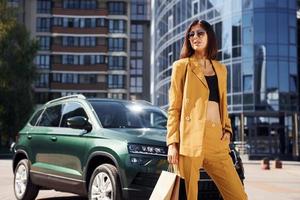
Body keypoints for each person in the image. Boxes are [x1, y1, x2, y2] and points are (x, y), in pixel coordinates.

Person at [166, 19, 248, 200]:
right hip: (190, 138)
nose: (195, 37)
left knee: (238, 195)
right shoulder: (182, 66)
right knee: (188, 195)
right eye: (191, 34)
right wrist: (172, 143)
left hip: (216, 139)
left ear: (209, 36)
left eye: (200, 33)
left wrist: (227, 130)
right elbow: (174, 107)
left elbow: (223, 103)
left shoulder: (220, 69)